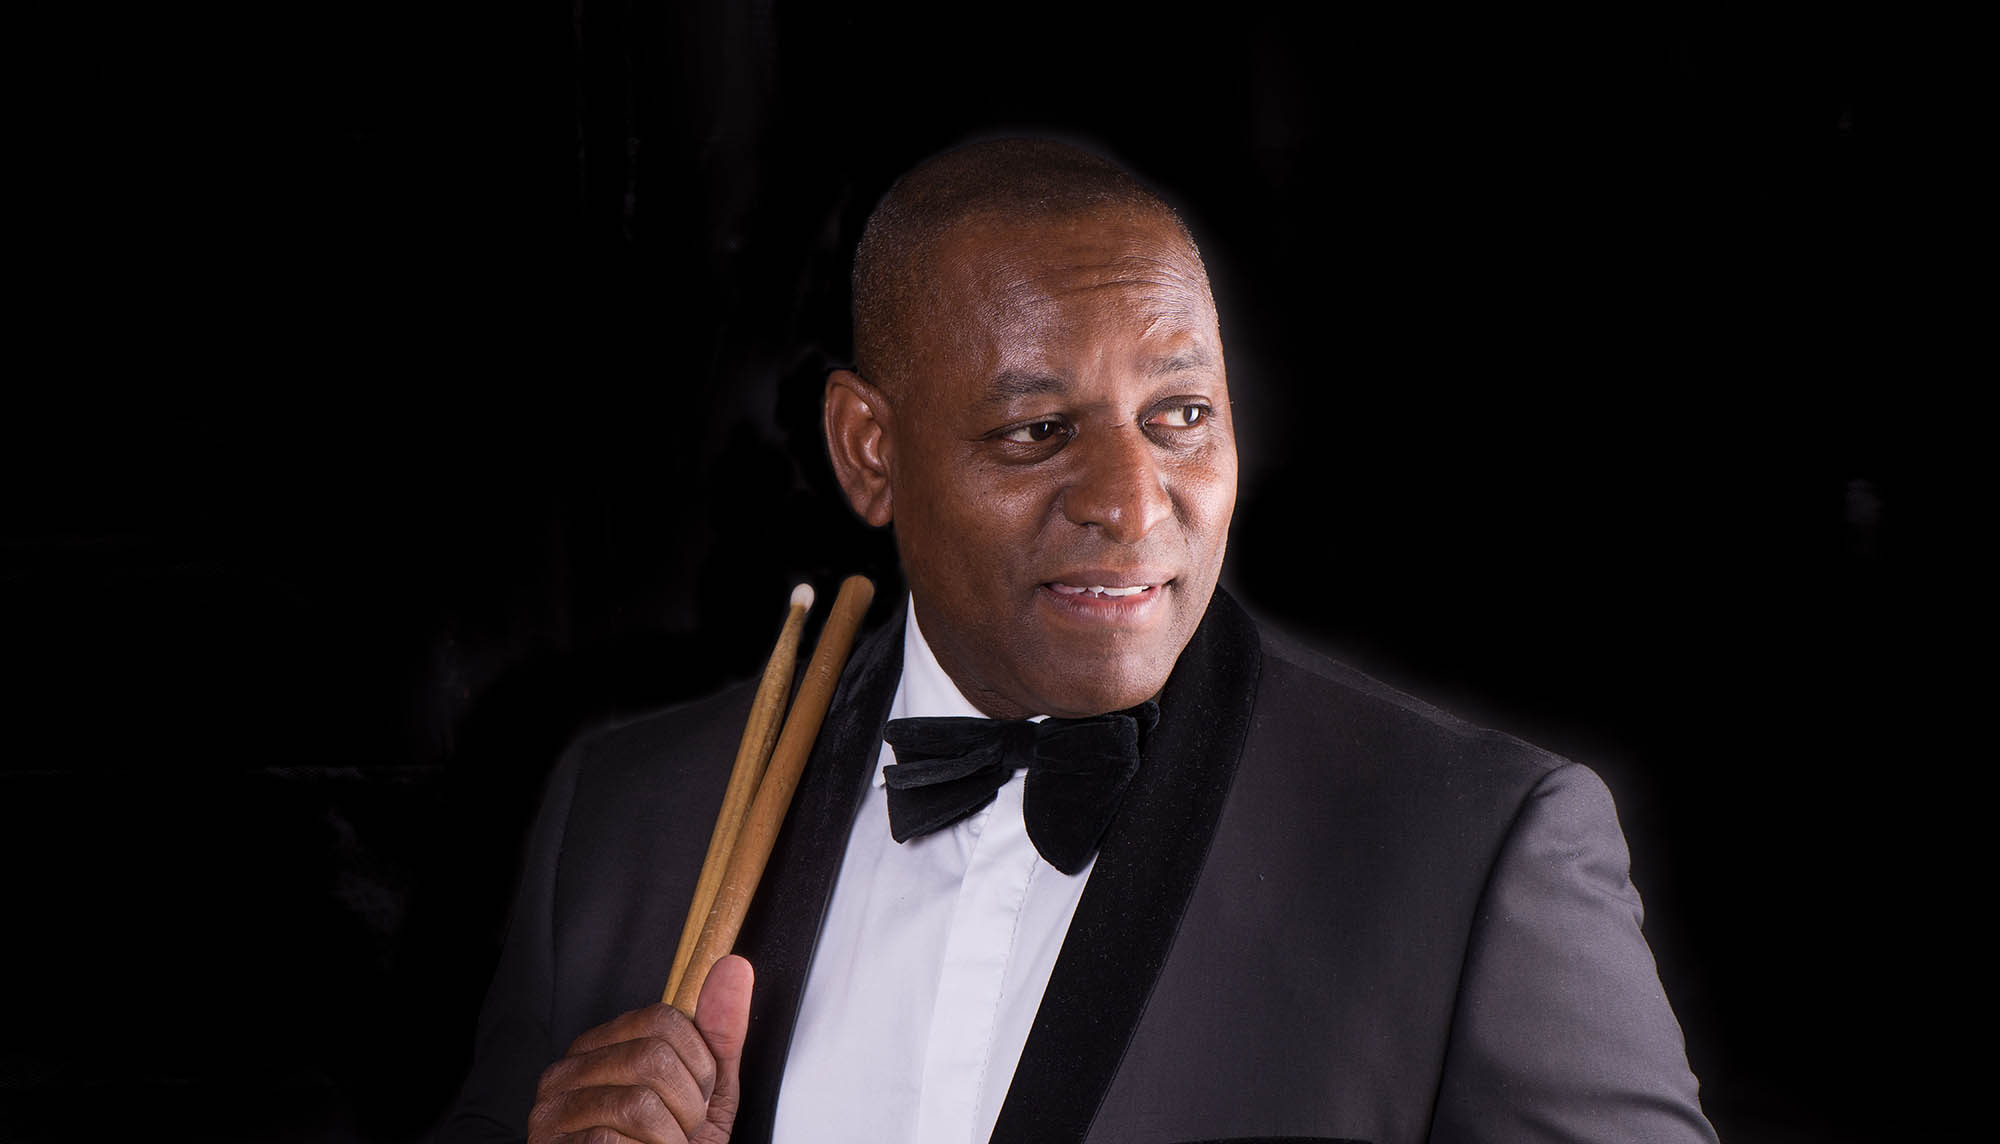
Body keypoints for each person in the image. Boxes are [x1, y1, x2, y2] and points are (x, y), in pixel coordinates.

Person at [439, 139, 1716, 1144]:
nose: (1130, 501)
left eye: (1179, 414)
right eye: (1037, 432)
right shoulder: (624, 822)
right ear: (867, 452)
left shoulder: (1474, 850)